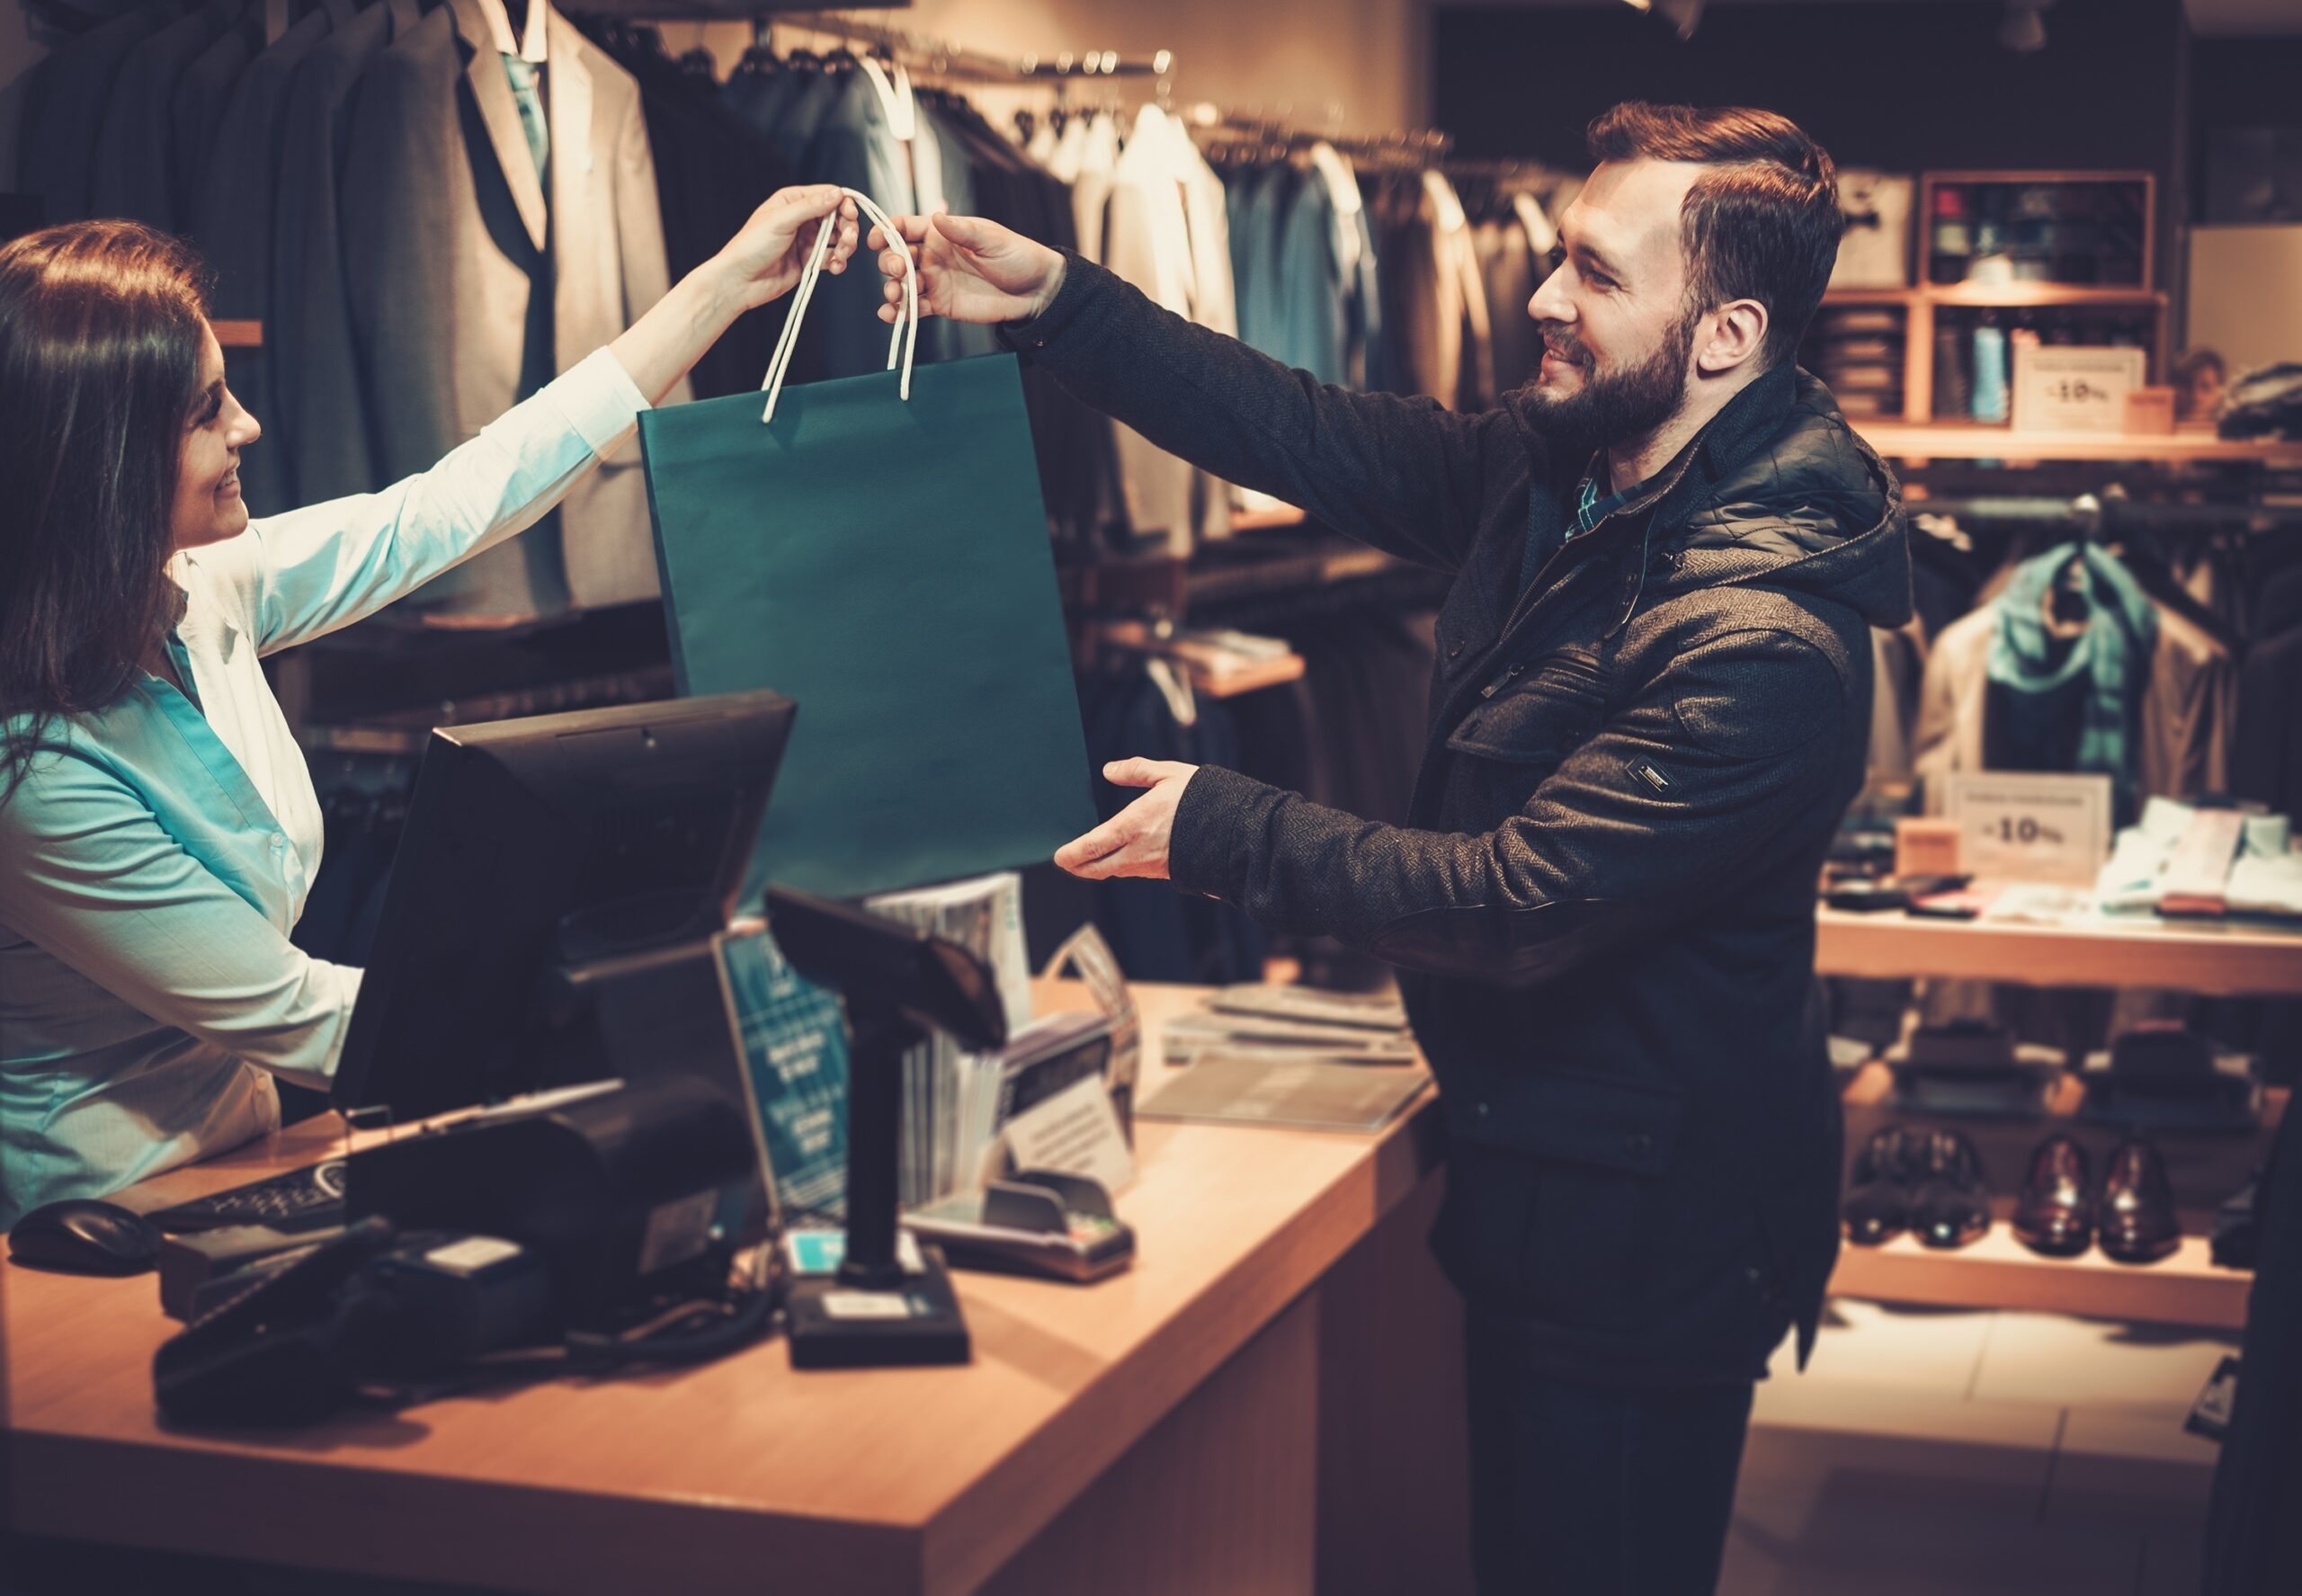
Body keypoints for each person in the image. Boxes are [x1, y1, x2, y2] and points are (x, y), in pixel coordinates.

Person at [873, 103, 1911, 1594]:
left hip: (1644, 1243)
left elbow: (1511, 905)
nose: (1545, 300)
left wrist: (1225, 828)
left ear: (1729, 334)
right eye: (1558, 258)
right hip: (1555, 1171)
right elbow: (1303, 428)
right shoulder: (1576, 474)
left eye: (1599, 278)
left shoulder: (1764, 640)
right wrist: (1065, 303)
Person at [0, 188, 861, 1228]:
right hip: (85, 1236)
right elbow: (301, 1014)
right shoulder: (33, 772)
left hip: (250, 1158)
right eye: (204, 410)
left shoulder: (192, 585)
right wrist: (656, 998)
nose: (248, 425)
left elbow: (452, 505)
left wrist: (723, 286)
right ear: (104, 461)